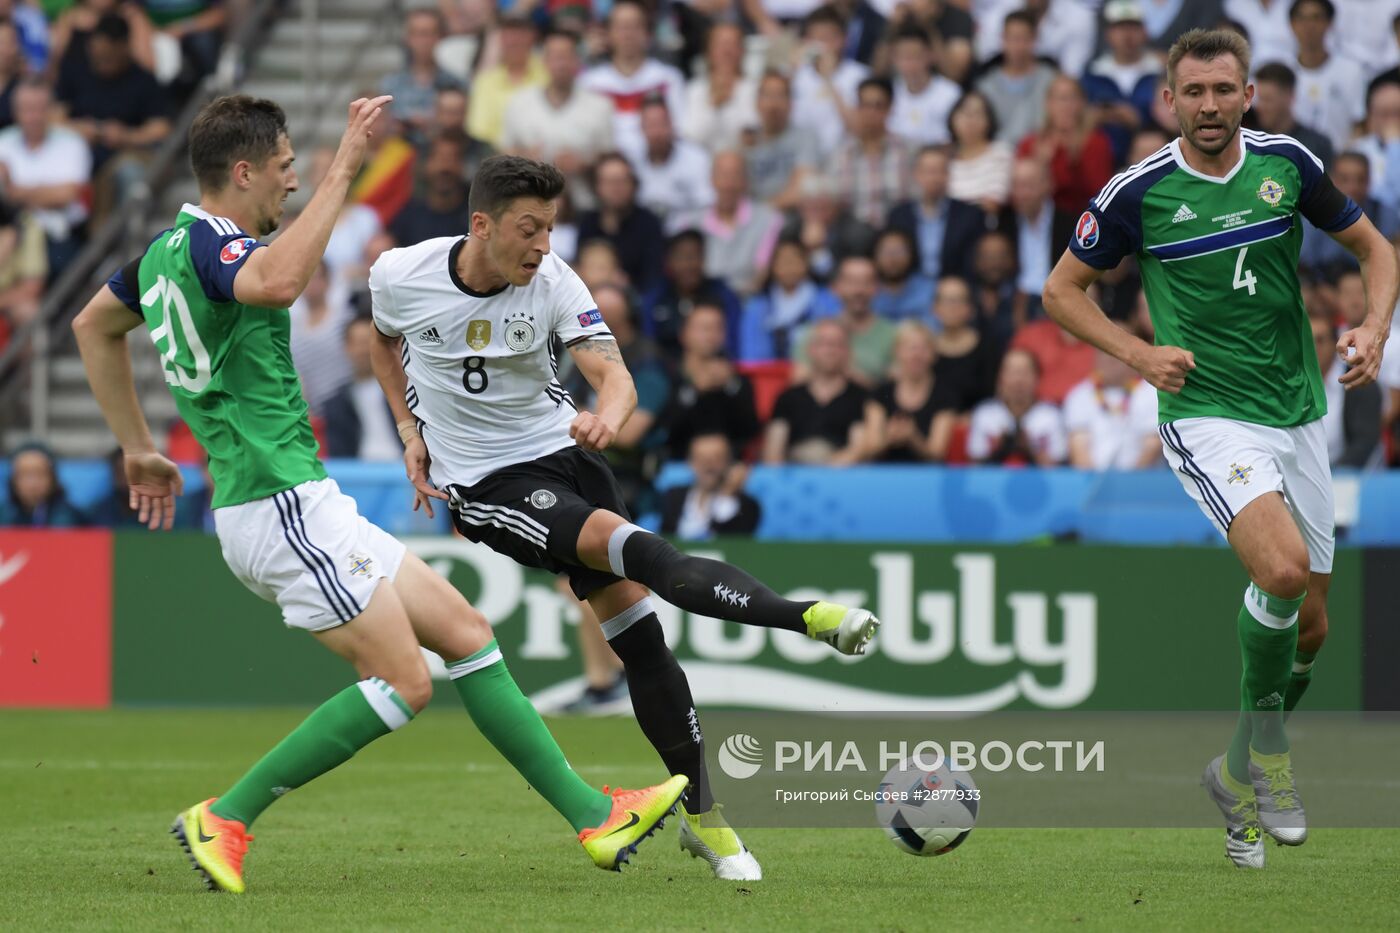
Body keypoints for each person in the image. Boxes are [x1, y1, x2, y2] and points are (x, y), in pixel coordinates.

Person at [72, 95, 688, 894]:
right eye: (287, 167)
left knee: (466, 632)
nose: (294, 183)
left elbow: (92, 325)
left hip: (301, 497)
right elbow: (280, 280)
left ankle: (593, 816)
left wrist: (137, 446)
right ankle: (225, 815)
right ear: (244, 169)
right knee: (407, 683)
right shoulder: (211, 243)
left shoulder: (158, 253)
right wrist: (347, 166)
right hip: (274, 502)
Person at [367, 153, 879, 881]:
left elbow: (613, 374)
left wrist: (608, 415)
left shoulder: (552, 281)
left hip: (568, 452)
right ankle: (807, 619)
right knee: (643, 553)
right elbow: (381, 338)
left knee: (639, 639)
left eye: (550, 227)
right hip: (488, 484)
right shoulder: (400, 274)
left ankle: (706, 818)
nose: (544, 245)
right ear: (481, 225)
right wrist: (410, 431)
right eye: (528, 229)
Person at [1043, 29, 1398, 869]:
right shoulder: (1139, 192)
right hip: (1204, 411)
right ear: (1169, 99)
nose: (1209, 106)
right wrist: (1138, 353)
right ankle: (1271, 759)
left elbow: (1377, 249)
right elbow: (1060, 290)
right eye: (1193, 92)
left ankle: (1233, 769)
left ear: (1250, 96)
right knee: (1278, 572)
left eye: (1223, 90)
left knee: (1310, 631)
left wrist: (1374, 325)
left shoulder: (1287, 165)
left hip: (1297, 410)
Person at [500, 29, 614, 205]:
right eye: (555, 57)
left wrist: (584, 165)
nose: (561, 64)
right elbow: (503, 154)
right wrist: (525, 160)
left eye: (567, 56)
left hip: (585, 204)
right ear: (544, 62)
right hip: (531, 202)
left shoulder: (600, 106)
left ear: (577, 61)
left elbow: (611, 161)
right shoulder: (519, 103)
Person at [578, 0, 686, 159]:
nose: (628, 34)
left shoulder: (669, 79)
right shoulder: (589, 83)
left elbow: (678, 131)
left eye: (635, 26)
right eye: (621, 27)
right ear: (608, 34)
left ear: (648, 33)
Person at [764, 318, 880, 465]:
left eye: (837, 344)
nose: (830, 350)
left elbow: (859, 449)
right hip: (795, 478)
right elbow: (773, 455)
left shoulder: (861, 397)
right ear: (810, 350)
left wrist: (826, 468)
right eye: (824, 343)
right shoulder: (787, 398)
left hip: (842, 478)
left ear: (848, 352)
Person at [673, 150, 784, 297]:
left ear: (746, 181)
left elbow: (761, 274)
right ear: (711, 179)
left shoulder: (769, 220)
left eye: (735, 175)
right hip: (701, 302)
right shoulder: (688, 223)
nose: (728, 184)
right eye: (722, 175)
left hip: (748, 300)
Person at [666, 303, 760, 459]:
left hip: (729, 467)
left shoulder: (737, 382)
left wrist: (730, 386)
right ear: (683, 334)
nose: (711, 336)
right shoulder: (668, 376)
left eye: (718, 328)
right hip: (678, 464)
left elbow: (751, 430)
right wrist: (694, 391)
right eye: (704, 328)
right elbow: (664, 430)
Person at [1016, 76, 1115, 218]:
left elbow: (1100, 196)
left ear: (1082, 104)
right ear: (1048, 104)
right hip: (1041, 222)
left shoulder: (1096, 143)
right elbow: (1021, 193)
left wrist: (1074, 161)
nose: (1066, 106)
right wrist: (1040, 165)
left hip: (1084, 221)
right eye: (1060, 99)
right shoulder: (1030, 144)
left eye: (1072, 99)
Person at [791, 255, 897, 385]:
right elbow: (798, 382)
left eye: (867, 282)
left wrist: (838, 368)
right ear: (835, 288)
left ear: (877, 288)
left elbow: (898, 390)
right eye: (851, 282)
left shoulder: (893, 335)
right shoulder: (813, 333)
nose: (859, 290)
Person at [826, 77, 915, 229]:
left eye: (878, 106)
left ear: (890, 108)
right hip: (853, 235)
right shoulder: (841, 154)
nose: (871, 112)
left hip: (897, 231)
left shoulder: (908, 151)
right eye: (865, 105)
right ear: (857, 108)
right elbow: (833, 202)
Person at [640, 228, 743, 360]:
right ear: (668, 261)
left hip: (715, 367)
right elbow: (649, 345)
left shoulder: (723, 295)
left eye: (694, 256)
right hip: (666, 372)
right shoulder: (655, 298)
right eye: (681, 257)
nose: (688, 264)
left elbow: (733, 344)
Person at [887, 146, 986, 283]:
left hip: (954, 288)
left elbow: (972, 263)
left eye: (941, 171)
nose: (935, 178)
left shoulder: (970, 216)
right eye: (929, 171)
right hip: (908, 288)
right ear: (916, 175)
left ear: (949, 175)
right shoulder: (898, 216)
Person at [1062, 335, 1161, 469]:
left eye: (1113, 355)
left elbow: (1152, 445)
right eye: (1102, 354)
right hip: (1092, 480)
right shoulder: (1079, 395)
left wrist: (1128, 484)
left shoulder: (1152, 393)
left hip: (1143, 480)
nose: (1107, 360)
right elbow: (1078, 446)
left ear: (1131, 359)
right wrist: (1094, 484)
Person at [739, 238, 841, 362]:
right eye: (783, 262)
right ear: (772, 267)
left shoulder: (827, 301)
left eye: (795, 261)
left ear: (806, 263)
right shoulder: (757, 306)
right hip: (768, 376)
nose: (789, 268)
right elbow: (752, 354)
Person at [575, 152, 666, 293]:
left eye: (622, 181)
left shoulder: (649, 223)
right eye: (609, 182)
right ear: (597, 186)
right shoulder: (588, 222)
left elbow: (653, 276)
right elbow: (579, 266)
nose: (616, 189)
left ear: (633, 184)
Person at [871, 320, 957, 462]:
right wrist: (889, 437)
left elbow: (937, 452)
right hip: (884, 474)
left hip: (927, 477)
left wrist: (913, 438)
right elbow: (871, 447)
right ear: (896, 352)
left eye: (923, 348)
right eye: (910, 348)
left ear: (933, 354)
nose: (916, 355)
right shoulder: (880, 393)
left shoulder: (945, 396)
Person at [790, 4, 868, 157]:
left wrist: (829, 79)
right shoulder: (797, 76)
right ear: (806, 41)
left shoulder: (860, 76)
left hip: (846, 158)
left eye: (828, 38)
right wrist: (792, 72)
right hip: (801, 158)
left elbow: (860, 128)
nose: (822, 45)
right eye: (816, 38)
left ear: (844, 39)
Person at [379, 8, 464, 148]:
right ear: (407, 38)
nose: (423, 41)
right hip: (401, 155)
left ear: (440, 37)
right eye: (417, 34)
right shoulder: (389, 84)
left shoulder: (457, 82)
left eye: (429, 34)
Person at [966, 348, 1067, 465]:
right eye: (1012, 372)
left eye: (1025, 372)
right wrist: (998, 450)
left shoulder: (1051, 415)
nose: (1018, 380)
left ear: (1037, 378)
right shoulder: (985, 414)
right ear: (1000, 378)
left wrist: (1031, 449)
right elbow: (975, 466)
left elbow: (1060, 468)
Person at [1289, 0, 1365, 153]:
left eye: (1316, 18)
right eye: (1302, 18)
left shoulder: (1351, 71)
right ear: (1292, 24)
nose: (1309, 26)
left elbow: (1359, 126)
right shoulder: (1283, 71)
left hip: (1337, 163)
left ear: (1329, 23)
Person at [322, 316, 402, 462]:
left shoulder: (403, 391)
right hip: (358, 476)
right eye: (357, 343)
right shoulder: (335, 404)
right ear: (346, 347)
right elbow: (338, 454)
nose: (363, 350)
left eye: (368, 342)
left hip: (405, 469)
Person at [974, 10, 1057, 148]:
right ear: (1003, 39)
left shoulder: (1051, 80)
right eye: (1013, 38)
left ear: (1035, 39)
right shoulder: (985, 86)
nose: (1018, 46)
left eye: (1025, 39)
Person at [466, 14, 546, 149]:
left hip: (543, 155)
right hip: (497, 158)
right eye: (509, 38)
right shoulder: (485, 81)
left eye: (520, 37)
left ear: (532, 38)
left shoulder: (548, 76)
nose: (515, 42)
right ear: (501, 41)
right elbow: (480, 130)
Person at [744, 70, 819, 211]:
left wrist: (761, 214)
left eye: (780, 96)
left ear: (791, 103)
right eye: (768, 95)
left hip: (791, 216)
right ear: (757, 103)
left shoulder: (805, 138)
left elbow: (801, 190)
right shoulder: (746, 141)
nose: (773, 104)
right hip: (750, 219)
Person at [660, 433, 761, 539]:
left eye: (716, 458)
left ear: (729, 461)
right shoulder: (674, 497)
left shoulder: (745, 505)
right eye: (701, 458)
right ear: (690, 462)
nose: (708, 465)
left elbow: (735, 544)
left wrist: (726, 494)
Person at [1313, 315, 1382, 467]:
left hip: (1352, 477)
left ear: (1334, 344)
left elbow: (1365, 441)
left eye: (1319, 340)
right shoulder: (1292, 386)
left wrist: (1338, 473)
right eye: (1308, 342)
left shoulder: (1359, 381)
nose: (1313, 348)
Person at [632, 97, 714, 222]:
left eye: (661, 124)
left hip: (687, 232)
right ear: (641, 128)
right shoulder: (631, 161)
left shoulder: (697, 158)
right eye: (651, 125)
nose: (657, 133)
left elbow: (706, 204)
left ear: (672, 125)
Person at [386, 132, 474, 247]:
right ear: (426, 165)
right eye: (439, 158)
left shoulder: (474, 218)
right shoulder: (408, 216)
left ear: (462, 165)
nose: (444, 167)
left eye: (452, 159)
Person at [682, 22, 757, 154]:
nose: (726, 51)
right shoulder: (694, 90)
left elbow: (752, 136)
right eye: (720, 45)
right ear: (708, 52)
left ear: (742, 51)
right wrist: (713, 106)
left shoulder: (755, 89)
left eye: (733, 45)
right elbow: (689, 138)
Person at [288, 261, 354, 414]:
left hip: (353, 401)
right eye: (306, 279)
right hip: (322, 414)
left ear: (327, 281)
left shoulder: (346, 318)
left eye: (316, 278)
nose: (311, 285)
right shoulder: (294, 334)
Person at [1244, 63, 1334, 171]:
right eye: (1259, 99)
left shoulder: (1317, 145)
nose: (1260, 107)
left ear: (1289, 96)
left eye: (1267, 100)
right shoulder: (1247, 143)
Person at [930, 274, 998, 411]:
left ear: (970, 308)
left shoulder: (988, 348)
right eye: (946, 301)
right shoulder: (926, 350)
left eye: (958, 300)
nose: (952, 307)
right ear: (935, 308)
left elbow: (993, 396)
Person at [887, 25, 961, 147]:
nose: (910, 64)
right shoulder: (889, 94)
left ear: (930, 55)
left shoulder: (950, 94)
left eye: (915, 56)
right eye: (904, 57)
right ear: (894, 59)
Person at [947, 91, 1013, 211]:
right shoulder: (943, 157)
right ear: (952, 117)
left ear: (989, 120)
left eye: (977, 114)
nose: (970, 120)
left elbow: (995, 201)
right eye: (965, 113)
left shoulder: (1001, 153)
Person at [0, 441, 87, 527]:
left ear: (52, 478)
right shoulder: (4, 516)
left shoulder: (70, 519)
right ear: (13, 479)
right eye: (25, 474)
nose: (32, 484)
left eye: (40, 474)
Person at [870, 226, 935, 321]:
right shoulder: (866, 290)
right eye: (886, 251)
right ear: (874, 256)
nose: (892, 259)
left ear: (911, 254)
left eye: (899, 251)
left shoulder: (929, 290)